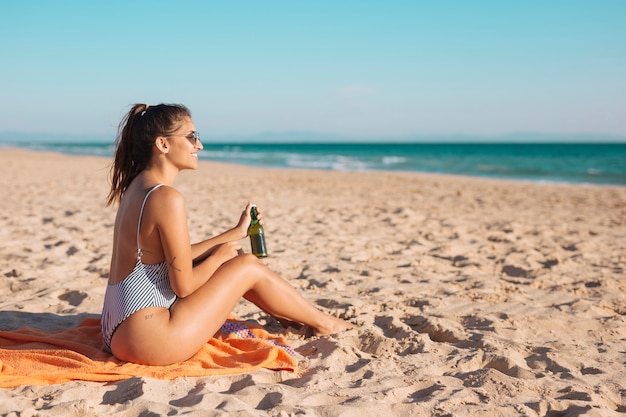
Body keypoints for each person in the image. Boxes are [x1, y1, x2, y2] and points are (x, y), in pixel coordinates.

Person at [101, 103, 351, 366]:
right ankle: (325, 324)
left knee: (234, 258)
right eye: (191, 137)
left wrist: (233, 234)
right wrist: (218, 257)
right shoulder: (167, 197)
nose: (199, 146)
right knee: (247, 265)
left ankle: (295, 318)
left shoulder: (138, 186)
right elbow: (183, 286)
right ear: (163, 144)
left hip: (118, 331)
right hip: (149, 342)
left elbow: (169, 257)